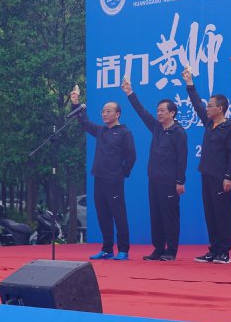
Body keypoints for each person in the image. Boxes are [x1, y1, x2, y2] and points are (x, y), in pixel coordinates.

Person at [121, 77, 187, 261]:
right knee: (156, 216)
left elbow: (182, 159)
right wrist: (130, 93)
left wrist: (180, 181)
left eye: (162, 111)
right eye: (158, 110)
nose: (159, 113)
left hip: (170, 182)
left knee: (170, 216)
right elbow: (142, 112)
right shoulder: (157, 128)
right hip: (154, 179)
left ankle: (171, 250)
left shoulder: (179, 132)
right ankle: (158, 249)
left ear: (172, 112)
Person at [181, 67, 231, 265]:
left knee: (223, 214)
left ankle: (224, 252)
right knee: (211, 214)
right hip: (206, 174)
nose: (207, 108)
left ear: (220, 108)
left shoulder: (229, 127)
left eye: (210, 106)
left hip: (221, 177)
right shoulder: (209, 124)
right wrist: (189, 83)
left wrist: (229, 176)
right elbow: (197, 103)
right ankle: (213, 249)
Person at [70, 88, 136, 261]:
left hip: (114, 179)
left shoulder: (124, 132)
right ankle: (107, 249)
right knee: (103, 214)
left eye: (108, 111)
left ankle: (123, 250)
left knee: (118, 214)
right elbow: (84, 122)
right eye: (103, 111)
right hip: (98, 178)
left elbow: (131, 156)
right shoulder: (101, 130)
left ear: (117, 114)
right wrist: (76, 103)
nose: (104, 114)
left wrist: (122, 172)